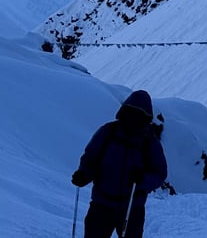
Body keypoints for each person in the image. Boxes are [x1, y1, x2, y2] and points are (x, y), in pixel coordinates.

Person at [72, 90, 168, 238]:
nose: (133, 117)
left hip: (132, 207)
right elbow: (91, 158)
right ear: (124, 111)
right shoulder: (108, 132)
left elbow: (160, 173)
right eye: (131, 112)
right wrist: (84, 174)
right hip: (102, 204)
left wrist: (142, 179)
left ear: (146, 117)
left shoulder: (149, 142)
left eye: (138, 114)